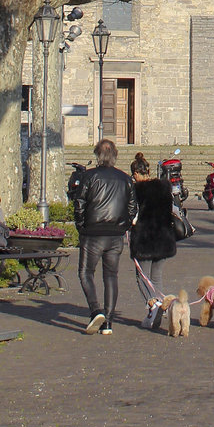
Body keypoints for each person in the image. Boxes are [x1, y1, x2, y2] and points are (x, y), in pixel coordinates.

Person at [73, 138, 137, 337]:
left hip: (93, 233)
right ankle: (108, 322)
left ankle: (96, 310)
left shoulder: (89, 177)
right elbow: (132, 207)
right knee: (110, 275)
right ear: (115, 156)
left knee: (85, 273)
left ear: (97, 156)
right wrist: (123, 226)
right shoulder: (125, 179)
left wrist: (82, 226)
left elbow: (79, 203)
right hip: (115, 234)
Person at [130, 175, 178, 329]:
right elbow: (174, 208)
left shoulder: (138, 190)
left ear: (136, 174)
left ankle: (153, 306)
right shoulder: (164, 188)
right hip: (163, 237)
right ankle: (159, 308)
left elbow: (133, 213)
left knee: (142, 277)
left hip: (145, 239)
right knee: (156, 276)